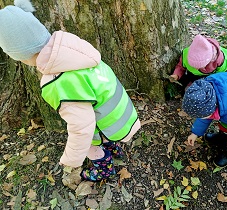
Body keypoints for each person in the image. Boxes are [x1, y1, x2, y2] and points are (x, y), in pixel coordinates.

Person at [0, 0, 141, 182]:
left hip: (106, 123)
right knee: (100, 127)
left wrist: (72, 159)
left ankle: (104, 168)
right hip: (121, 115)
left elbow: (82, 127)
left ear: (20, 54)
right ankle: (112, 147)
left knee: (90, 146)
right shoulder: (72, 50)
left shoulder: (59, 82)